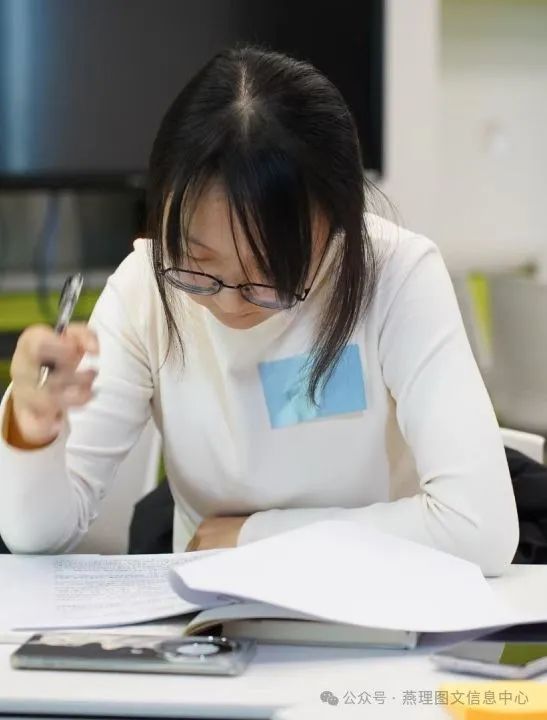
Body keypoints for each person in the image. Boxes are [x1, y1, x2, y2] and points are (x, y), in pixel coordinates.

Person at [0, 46, 518, 574]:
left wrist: (256, 537)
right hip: (211, 607)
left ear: (339, 220)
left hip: (377, 599)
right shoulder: (145, 288)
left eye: (269, 274)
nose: (228, 301)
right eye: (198, 264)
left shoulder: (396, 276)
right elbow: (34, 538)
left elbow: (481, 529)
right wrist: (31, 429)